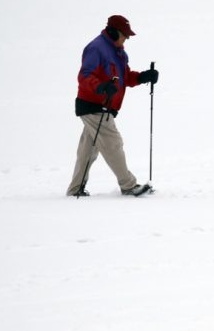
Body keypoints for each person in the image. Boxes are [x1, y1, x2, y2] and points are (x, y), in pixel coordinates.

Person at [66, 15, 159, 197]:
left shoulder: (119, 53)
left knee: (89, 149)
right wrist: (100, 86)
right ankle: (129, 186)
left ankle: (75, 189)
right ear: (113, 32)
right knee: (113, 143)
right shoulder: (96, 48)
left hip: (101, 106)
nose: (127, 39)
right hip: (94, 105)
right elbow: (85, 76)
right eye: (125, 35)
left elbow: (125, 78)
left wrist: (143, 77)